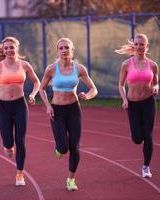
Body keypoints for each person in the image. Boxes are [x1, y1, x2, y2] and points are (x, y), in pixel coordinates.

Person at [39, 37, 98, 191]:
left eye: (67, 48)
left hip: (73, 110)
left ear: (72, 51)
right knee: (63, 148)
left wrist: (88, 95)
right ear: (57, 51)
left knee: (74, 147)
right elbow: (41, 88)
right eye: (61, 48)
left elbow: (94, 88)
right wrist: (47, 106)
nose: (64, 50)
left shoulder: (79, 68)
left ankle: (71, 179)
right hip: (57, 110)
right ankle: (59, 148)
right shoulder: (51, 69)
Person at [0, 36, 40, 186]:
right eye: (6, 48)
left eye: (11, 47)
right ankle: (8, 146)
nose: (9, 50)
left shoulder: (25, 65)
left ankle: (19, 174)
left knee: (20, 140)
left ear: (17, 48)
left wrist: (33, 94)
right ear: (3, 50)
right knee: (8, 142)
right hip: (3, 106)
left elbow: (36, 81)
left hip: (20, 105)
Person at [115, 33, 159, 178]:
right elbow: (121, 85)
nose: (139, 47)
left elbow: (156, 82)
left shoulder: (153, 65)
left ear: (147, 47)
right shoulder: (126, 64)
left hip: (148, 102)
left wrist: (156, 88)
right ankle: (135, 132)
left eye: (142, 44)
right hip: (132, 104)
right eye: (137, 44)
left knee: (148, 135)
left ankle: (146, 167)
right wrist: (124, 100)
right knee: (137, 139)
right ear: (134, 46)